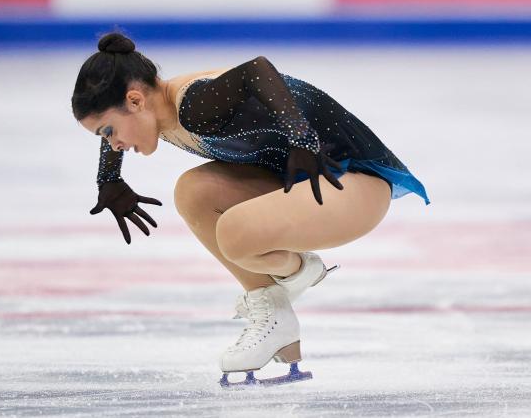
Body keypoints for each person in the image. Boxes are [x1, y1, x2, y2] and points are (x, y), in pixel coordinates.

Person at [71, 31, 431, 386]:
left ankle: (299, 271)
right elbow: (120, 127)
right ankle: (273, 314)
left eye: (108, 132)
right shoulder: (157, 112)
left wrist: (301, 138)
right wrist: (109, 179)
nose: (114, 145)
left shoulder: (195, 105)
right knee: (193, 192)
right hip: (305, 182)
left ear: (135, 101)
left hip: (351, 182)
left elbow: (257, 70)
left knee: (234, 233)